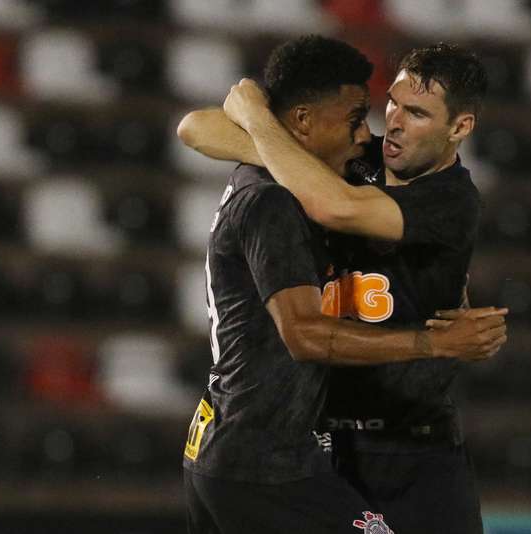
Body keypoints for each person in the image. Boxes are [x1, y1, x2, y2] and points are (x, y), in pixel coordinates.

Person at [180, 36, 507, 534]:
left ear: (460, 127)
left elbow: (336, 206)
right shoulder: (357, 158)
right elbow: (195, 128)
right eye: (392, 102)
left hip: (413, 450)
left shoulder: (451, 202)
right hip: (324, 442)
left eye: (417, 113)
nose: (393, 121)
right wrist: (292, 148)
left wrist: (268, 130)